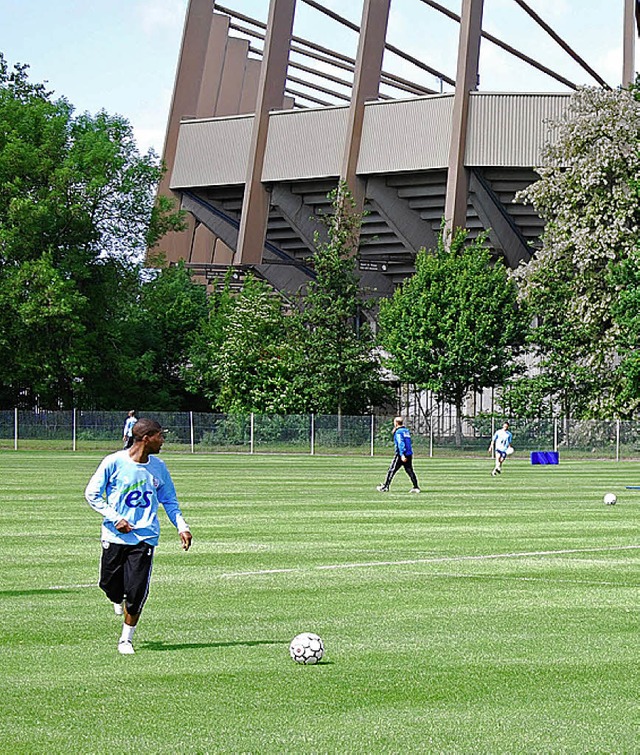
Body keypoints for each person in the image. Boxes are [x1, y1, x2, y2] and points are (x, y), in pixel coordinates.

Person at [85, 418, 192, 655]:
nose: (163, 441)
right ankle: (117, 599)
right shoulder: (114, 462)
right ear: (146, 438)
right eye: (160, 436)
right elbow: (92, 494)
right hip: (114, 536)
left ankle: (126, 639)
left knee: (136, 591)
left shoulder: (159, 467)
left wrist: (181, 526)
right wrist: (116, 518)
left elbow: (170, 501)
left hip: (145, 537)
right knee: (109, 585)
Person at [377, 416, 420, 493]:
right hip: (409, 454)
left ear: (396, 423)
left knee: (391, 470)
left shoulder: (399, 432)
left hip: (401, 454)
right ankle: (416, 487)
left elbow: (401, 443)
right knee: (410, 471)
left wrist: (402, 454)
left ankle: (385, 486)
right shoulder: (406, 431)